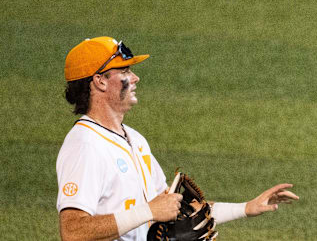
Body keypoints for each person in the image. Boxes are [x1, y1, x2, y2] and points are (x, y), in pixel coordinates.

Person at [57, 36, 299, 241]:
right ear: (99, 81)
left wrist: (245, 208)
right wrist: (148, 211)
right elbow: (72, 230)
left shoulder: (134, 139)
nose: (135, 78)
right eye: (125, 71)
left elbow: (175, 208)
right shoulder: (85, 145)